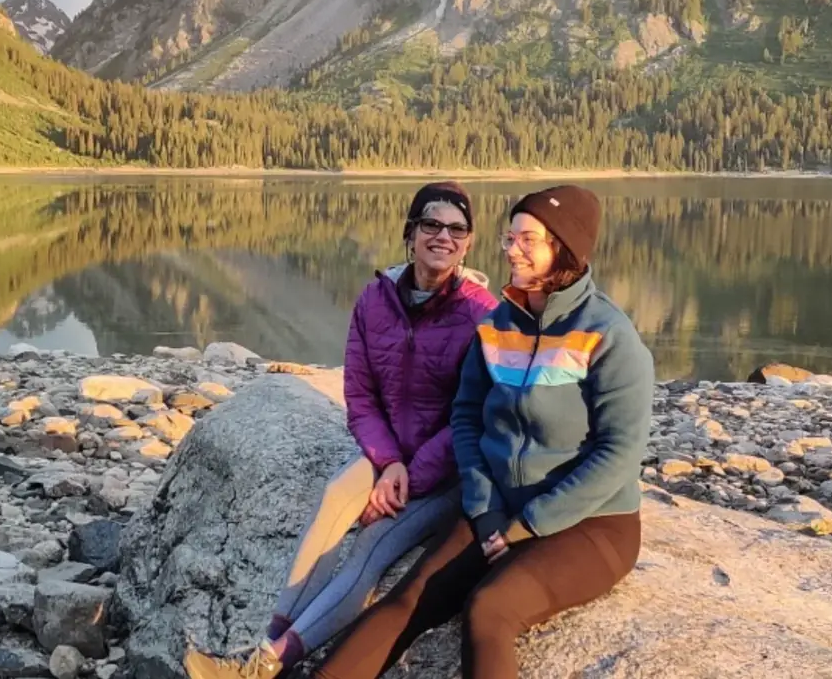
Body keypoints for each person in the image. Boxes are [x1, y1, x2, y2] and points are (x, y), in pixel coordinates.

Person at [300, 185, 656, 679]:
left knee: (490, 608)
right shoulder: (498, 325)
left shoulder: (609, 335)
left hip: (592, 524)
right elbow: (467, 417)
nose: (510, 249)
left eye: (526, 240)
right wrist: (485, 506)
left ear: (564, 250)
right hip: (498, 507)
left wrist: (528, 524)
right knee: (412, 598)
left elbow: (619, 453)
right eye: (510, 237)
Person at [183, 181, 499, 679]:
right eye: (432, 225)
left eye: (457, 229)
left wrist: (408, 478)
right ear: (410, 233)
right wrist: (388, 462)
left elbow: (472, 414)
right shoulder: (375, 299)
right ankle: (266, 641)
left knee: (368, 550)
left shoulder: (482, 314)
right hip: (388, 455)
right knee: (335, 496)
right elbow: (361, 396)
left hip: (448, 470)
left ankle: (266, 666)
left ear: (468, 242)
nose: (444, 237)